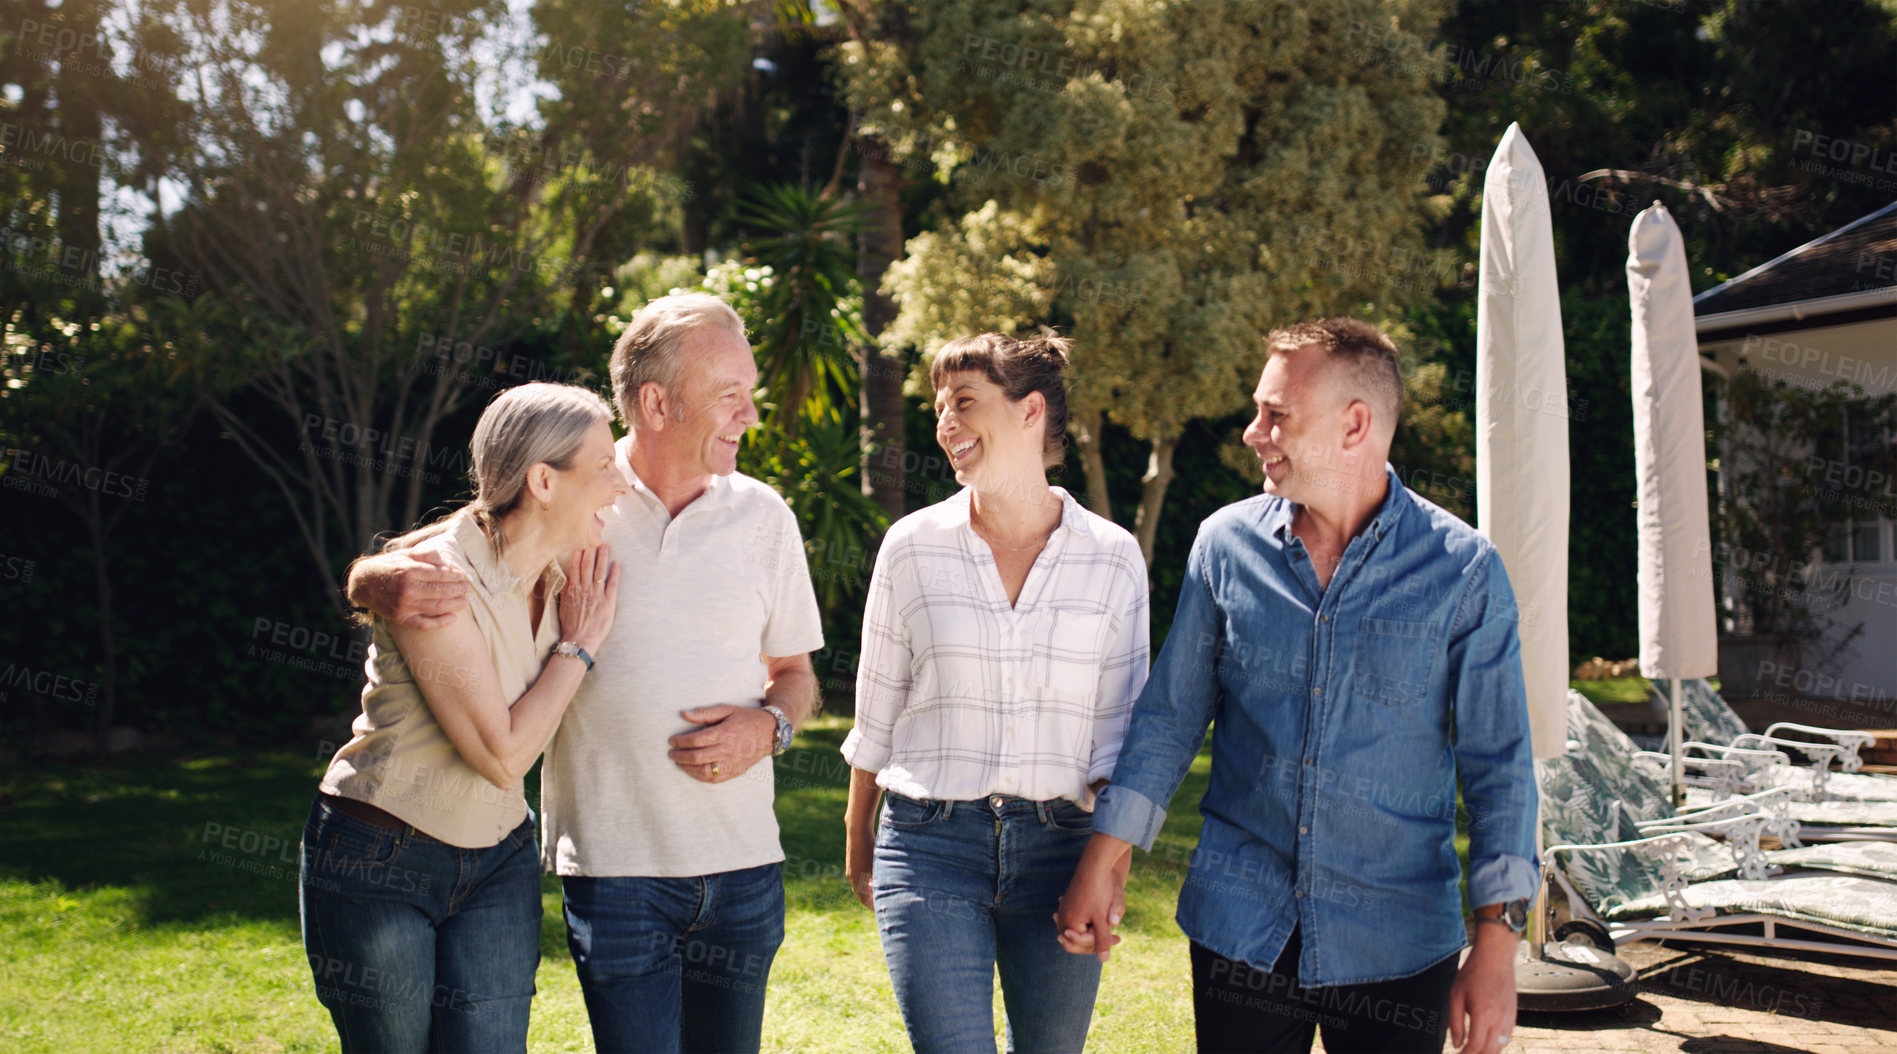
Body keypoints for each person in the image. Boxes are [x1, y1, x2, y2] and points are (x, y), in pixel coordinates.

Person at [347, 293, 824, 1054]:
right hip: (614, 871)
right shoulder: (580, 496)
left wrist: (772, 726)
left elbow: (796, 672)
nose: (751, 416)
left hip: (745, 869)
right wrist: (372, 578)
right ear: (655, 401)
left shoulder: (766, 516)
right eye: (731, 396)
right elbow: (466, 536)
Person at [1055, 318, 1538, 1054]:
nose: (1253, 432)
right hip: (1240, 927)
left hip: (1398, 941)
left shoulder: (1463, 572)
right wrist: (1102, 859)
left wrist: (1497, 947)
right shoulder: (1224, 546)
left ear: (1354, 425)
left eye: (1275, 414)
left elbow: (1498, 770)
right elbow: (1169, 719)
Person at [842, 333, 1150, 1053]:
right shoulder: (912, 546)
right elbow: (877, 703)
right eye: (938, 407)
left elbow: (1120, 737)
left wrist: (1107, 873)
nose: (944, 423)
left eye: (964, 403)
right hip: (929, 845)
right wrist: (859, 840)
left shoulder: (1111, 557)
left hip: (1063, 851)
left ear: (1029, 411)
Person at [302, 381, 626, 1052]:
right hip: (378, 858)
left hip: (498, 860)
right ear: (542, 480)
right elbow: (503, 756)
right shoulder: (434, 584)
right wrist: (578, 648)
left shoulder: (565, 559)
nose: (619, 483)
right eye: (603, 465)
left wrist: (365, 573)